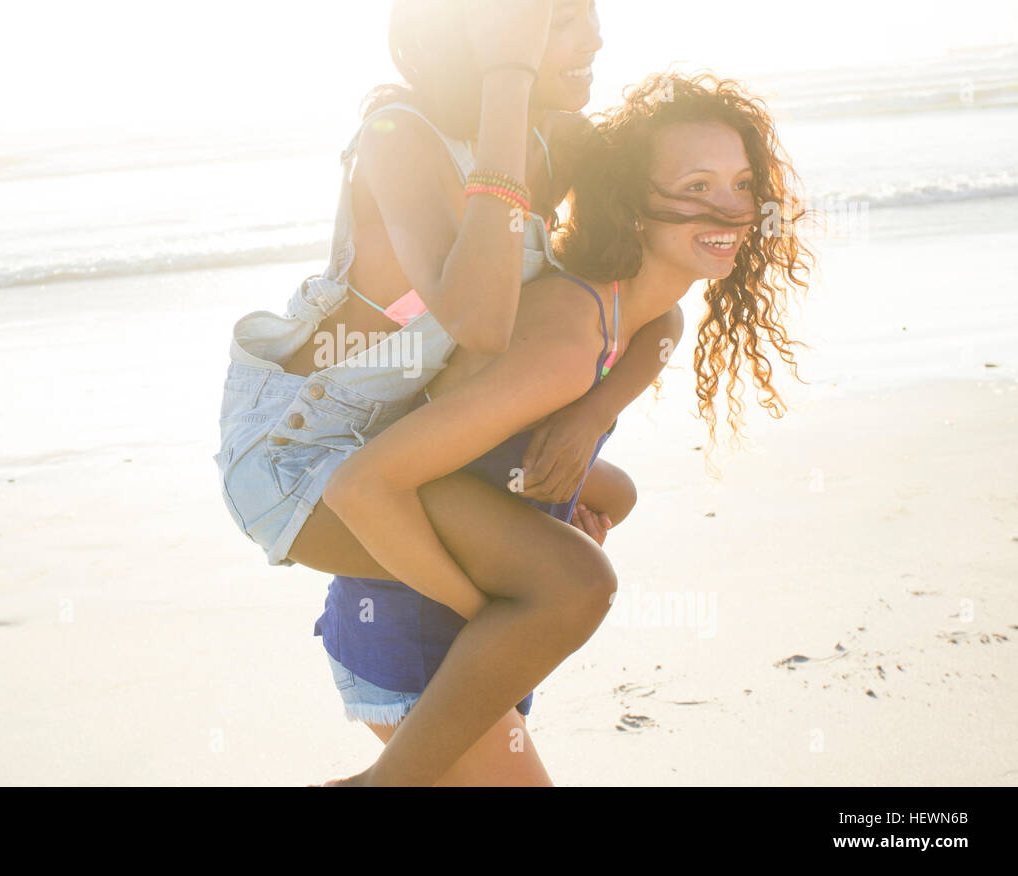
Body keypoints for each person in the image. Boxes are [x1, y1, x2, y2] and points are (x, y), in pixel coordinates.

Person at [214, 0, 683, 786]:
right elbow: (478, 319)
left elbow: (659, 304)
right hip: (296, 455)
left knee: (602, 496)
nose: (595, 39)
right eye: (563, 18)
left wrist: (593, 414)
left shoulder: (555, 139)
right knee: (566, 586)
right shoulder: (401, 140)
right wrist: (507, 81)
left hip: (394, 442)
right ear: (485, 27)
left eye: (592, 11)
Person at [313, 71, 816, 785]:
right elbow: (360, 485)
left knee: (614, 501)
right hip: (415, 638)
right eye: (696, 187)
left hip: (481, 650)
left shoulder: (640, 322)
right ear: (630, 205)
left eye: (741, 183)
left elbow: (628, 369)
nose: (731, 209)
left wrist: (591, 423)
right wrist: (494, 606)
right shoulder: (566, 342)